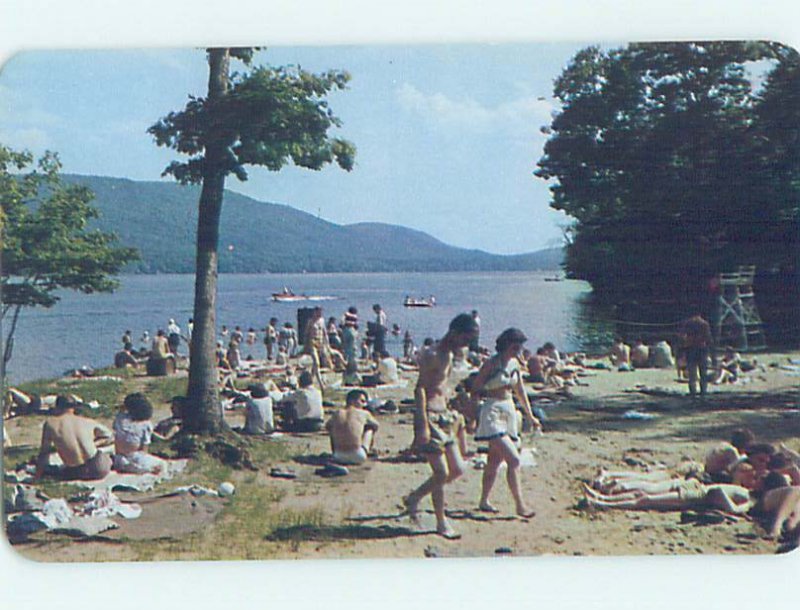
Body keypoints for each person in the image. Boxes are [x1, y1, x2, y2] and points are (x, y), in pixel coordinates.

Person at [402, 313, 479, 540]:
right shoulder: (432, 354)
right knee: (441, 472)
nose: (467, 345)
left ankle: (414, 497)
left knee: (458, 469)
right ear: (454, 333)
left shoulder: (448, 354)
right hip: (430, 418)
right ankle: (440, 522)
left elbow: (442, 385)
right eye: (465, 339)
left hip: (445, 415)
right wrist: (421, 427)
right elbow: (420, 390)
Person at [472, 328, 542, 518]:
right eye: (515, 346)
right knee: (514, 459)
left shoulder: (515, 364)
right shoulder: (491, 363)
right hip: (492, 411)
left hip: (509, 411)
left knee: (494, 462)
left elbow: (520, 391)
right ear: (506, 344)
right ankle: (520, 505)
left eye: (520, 346)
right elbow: (475, 387)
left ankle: (484, 500)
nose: (518, 350)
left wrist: (530, 415)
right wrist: (473, 413)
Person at [35, 395, 113, 480]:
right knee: (108, 455)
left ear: (57, 407)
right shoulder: (86, 421)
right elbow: (110, 436)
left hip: (75, 471)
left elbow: (44, 452)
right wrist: (95, 444)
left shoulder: (50, 424)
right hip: (99, 469)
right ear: (74, 408)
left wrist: (38, 475)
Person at [582, 479, 754, 513]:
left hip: (698, 494)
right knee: (643, 494)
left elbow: (732, 507)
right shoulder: (746, 491)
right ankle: (602, 499)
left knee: (645, 500)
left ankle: (603, 504)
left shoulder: (750, 499)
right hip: (696, 487)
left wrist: (731, 507)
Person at [112, 393, 166, 474]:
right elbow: (144, 448)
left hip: (119, 455)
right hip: (134, 455)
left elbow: (115, 427)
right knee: (162, 464)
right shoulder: (146, 424)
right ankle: (143, 469)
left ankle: (127, 466)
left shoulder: (120, 418)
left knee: (122, 461)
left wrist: (121, 410)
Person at [325, 389, 379, 465]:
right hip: (358, 456)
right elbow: (376, 425)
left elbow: (327, 426)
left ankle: (336, 449)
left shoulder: (337, 413)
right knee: (370, 428)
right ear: (352, 401)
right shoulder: (364, 413)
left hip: (338, 456)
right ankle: (366, 449)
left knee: (332, 428)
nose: (364, 405)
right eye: (362, 401)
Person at [680, 312, 712, 398]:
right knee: (703, 372)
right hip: (702, 348)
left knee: (692, 373)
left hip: (690, 348)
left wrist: (683, 349)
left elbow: (682, 336)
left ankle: (693, 392)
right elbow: (708, 337)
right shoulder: (704, 324)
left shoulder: (688, 323)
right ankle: (703, 392)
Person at [303, 306, 330, 390]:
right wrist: (305, 346)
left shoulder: (322, 321)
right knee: (316, 363)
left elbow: (325, 332)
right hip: (312, 343)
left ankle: (310, 379)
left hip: (320, 343)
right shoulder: (310, 322)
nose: (319, 314)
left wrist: (327, 344)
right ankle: (320, 383)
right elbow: (306, 334)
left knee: (319, 364)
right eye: (318, 312)